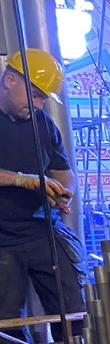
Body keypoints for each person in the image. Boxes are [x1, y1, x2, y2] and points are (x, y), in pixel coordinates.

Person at [0, 48, 86, 324]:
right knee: (8, 326)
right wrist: (23, 179)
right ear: (10, 80)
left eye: (43, 99)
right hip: (3, 241)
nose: (39, 105)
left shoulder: (44, 124)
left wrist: (63, 191)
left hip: (42, 233)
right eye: (35, 95)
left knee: (74, 315)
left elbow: (63, 171)